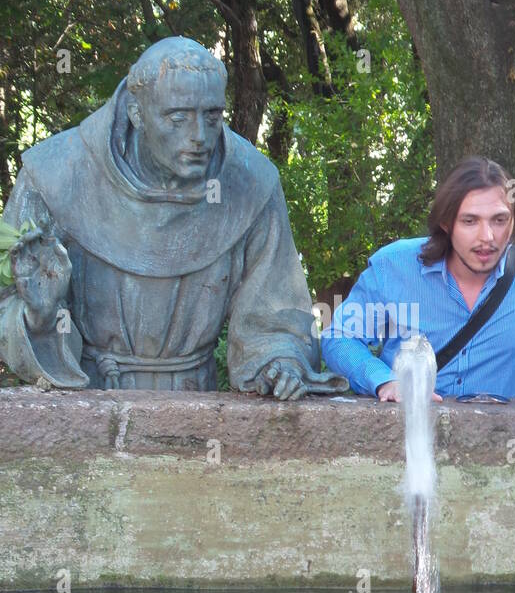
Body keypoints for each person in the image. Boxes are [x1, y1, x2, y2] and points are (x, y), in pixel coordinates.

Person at [0, 37, 347, 399]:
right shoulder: (55, 174)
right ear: (137, 113)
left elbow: (275, 316)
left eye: (212, 116)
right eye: (178, 117)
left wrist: (281, 362)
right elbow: (7, 301)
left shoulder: (250, 181)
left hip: (197, 406)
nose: (199, 137)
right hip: (87, 402)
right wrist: (38, 318)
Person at [320, 156, 515, 409]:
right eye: (470, 221)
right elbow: (339, 338)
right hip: (407, 438)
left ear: (513, 221)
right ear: (446, 222)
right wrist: (383, 381)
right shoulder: (394, 266)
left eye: (499, 220)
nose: (487, 237)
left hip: (501, 449)